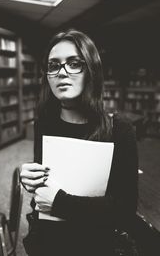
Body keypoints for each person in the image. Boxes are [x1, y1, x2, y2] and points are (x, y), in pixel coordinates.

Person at [20, 29, 138, 256]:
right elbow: (43, 194)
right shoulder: (44, 124)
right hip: (48, 243)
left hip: (95, 245)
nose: (61, 73)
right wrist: (31, 180)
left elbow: (124, 211)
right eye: (53, 65)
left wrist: (60, 202)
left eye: (74, 63)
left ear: (91, 70)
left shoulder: (119, 129)